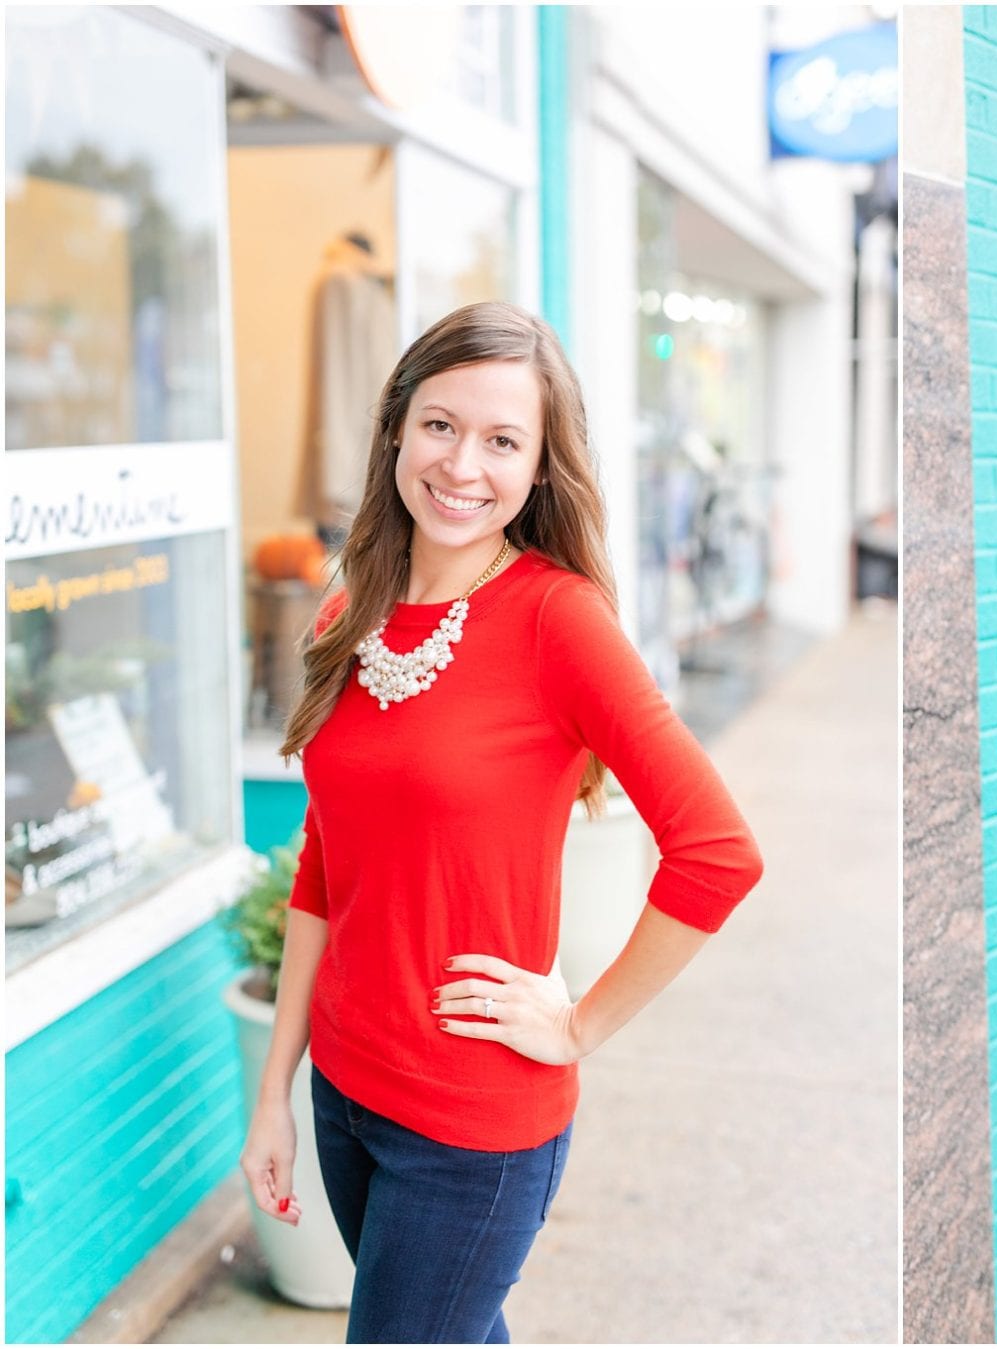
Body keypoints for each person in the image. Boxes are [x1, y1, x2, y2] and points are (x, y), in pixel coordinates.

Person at [238, 301, 763, 1344]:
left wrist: (579, 1023)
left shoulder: (556, 620)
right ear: (396, 425)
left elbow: (718, 852)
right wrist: (277, 1091)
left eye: (503, 440)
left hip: (470, 1124)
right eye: (440, 424)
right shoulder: (351, 613)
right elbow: (323, 870)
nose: (463, 464)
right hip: (345, 1094)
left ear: (537, 467)